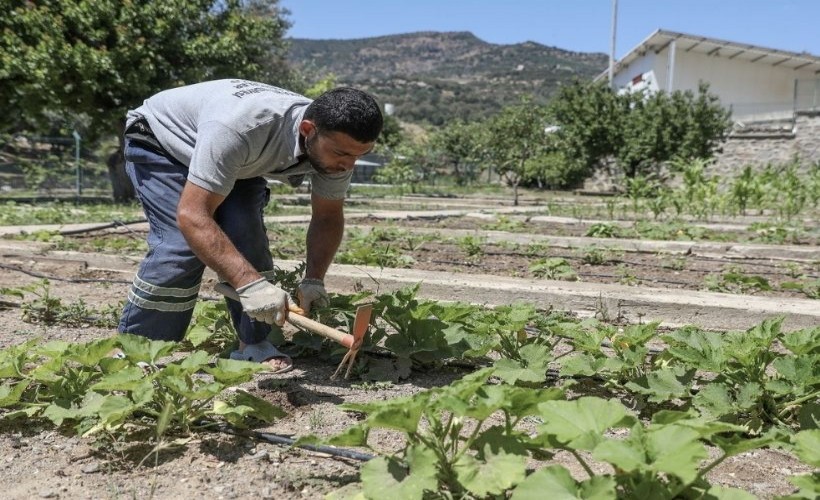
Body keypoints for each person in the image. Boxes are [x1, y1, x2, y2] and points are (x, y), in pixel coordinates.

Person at [118, 79, 383, 373]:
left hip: (239, 159)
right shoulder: (239, 129)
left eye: (360, 155)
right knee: (182, 245)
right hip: (165, 141)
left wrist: (314, 279)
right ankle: (137, 351)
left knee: (248, 238)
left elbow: (327, 216)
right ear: (307, 131)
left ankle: (253, 345)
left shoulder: (336, 144)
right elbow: (193, 215)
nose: (349, 165)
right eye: (343, 155)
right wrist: (248, 285)